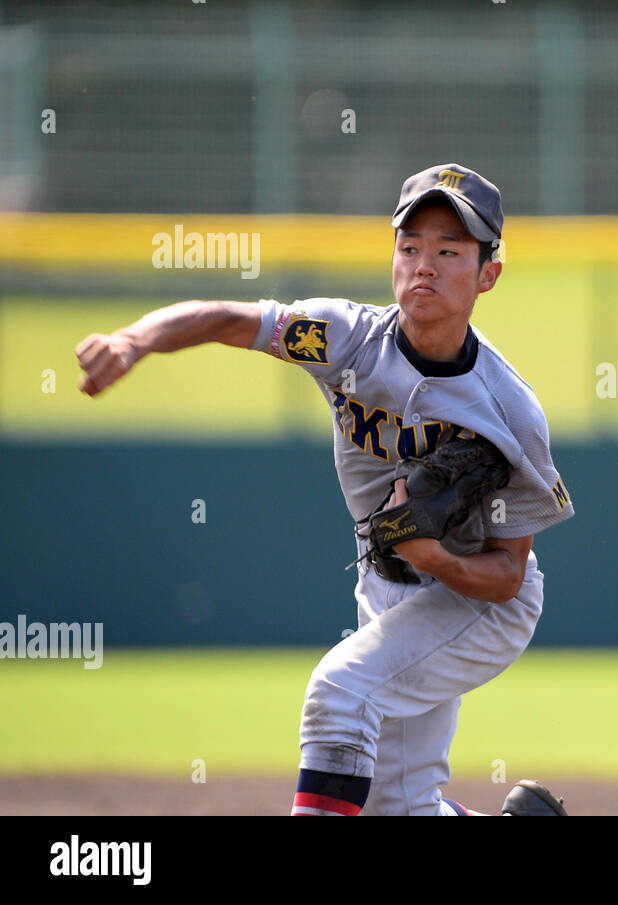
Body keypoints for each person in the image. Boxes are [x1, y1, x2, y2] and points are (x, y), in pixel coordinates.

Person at [75, 163, 574, 816]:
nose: (424, 264)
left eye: (449, 250)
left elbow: (510, 573)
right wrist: (135, 339)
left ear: (488, 274)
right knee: (399, 806)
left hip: (479, 603)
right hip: (389, 581)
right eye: (410, 245)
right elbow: (232, 319)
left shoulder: (510, 412)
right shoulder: (344, 340)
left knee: (340, 691)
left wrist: (438, 560)